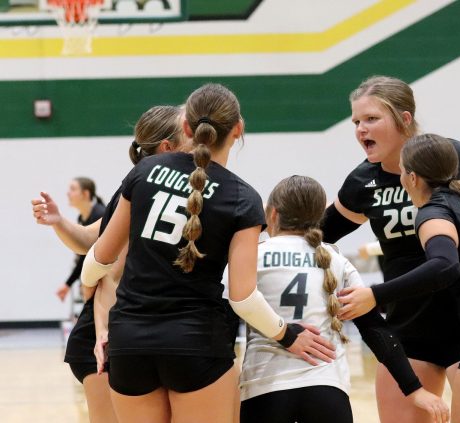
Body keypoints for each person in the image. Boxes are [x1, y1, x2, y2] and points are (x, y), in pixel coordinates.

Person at [81, 83, 336, 423]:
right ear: (238, 130)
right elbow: (243, 297)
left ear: (186, 127)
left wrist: (88, 289)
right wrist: (288, 336)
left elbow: (101, 257)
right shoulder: (243, 198)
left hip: (131, 342)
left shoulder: (143, 172)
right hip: (197, 343)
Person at [321, 75, 460, 423]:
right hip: (408, 327)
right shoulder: (362, 181)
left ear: (404, 119)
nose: (360, 129)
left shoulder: (453, 157)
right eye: (356, 121)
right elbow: (316, 234)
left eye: (371, 119)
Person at [240, 175, 449, 423]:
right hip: (327, 389)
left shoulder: (253, 255)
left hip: (264, 389)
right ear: (319, 219)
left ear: (272, 215)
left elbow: (228, 314)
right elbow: (374, 329)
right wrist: (414, 389)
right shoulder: (337, 261)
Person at [31, 105, 190, 423]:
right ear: (167, 147)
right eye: (188, 132)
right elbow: (98, 253)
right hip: (105, 337)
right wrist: (60, 222)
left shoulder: (171, 190)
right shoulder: (140, 190)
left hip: (132, 335)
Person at [55, 177, 106, 302]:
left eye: (72, 189)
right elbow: (82, 256)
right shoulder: (81, 218)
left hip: (103, 285)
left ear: (85, 194)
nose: (68, 193)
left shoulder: (100, 214)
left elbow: (88, 255)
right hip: (90, 282)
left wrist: (68, 283)